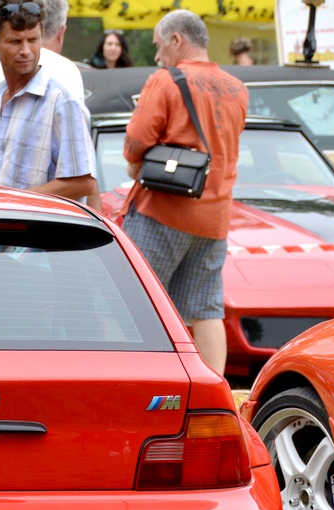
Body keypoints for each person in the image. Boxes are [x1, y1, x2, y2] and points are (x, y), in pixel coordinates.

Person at [121, 10, 247, 375]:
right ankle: (213, 394)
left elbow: (135, 143)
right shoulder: (238, 87)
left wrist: (134, 162)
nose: (158, 57)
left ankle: (142, 384)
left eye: (160, 46)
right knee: (205, 310)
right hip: (214, 218)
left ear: (177, 40)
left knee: (136, 303)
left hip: (163, 210)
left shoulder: (166, 80)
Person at [0, 0, 98, 204]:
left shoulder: (61, 100)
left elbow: (83, 182)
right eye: (15, 42)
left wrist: (18, 202)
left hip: (45, 233)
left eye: (33, 39)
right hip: (3, 230)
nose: (26, 50)